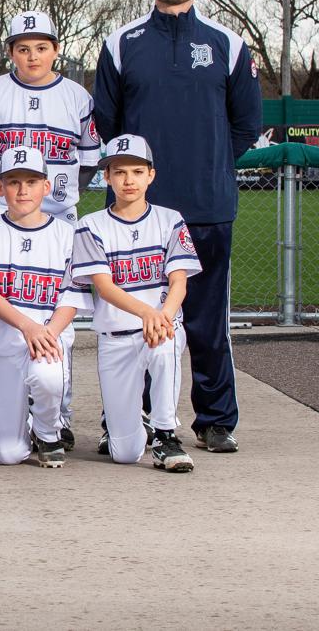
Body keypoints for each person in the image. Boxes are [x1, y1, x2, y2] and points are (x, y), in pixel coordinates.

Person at [94, 0, 262, 453]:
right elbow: (109, 124)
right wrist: (139, 181)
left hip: (207, 204)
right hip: (138, 212)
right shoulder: (121, 42)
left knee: (208, 321)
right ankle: (132, 419)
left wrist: (207, 164)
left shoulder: (227, 43)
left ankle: (214, 420)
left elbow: (246, 124)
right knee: (136, 320)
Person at [0, 11, 100, 449]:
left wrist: (59, 196)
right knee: (6, 300)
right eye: (23, 48)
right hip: (1, 209)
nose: (33, 56)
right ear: (11, 52)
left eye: (41, 47)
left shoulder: (76, 96)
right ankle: (5, 410)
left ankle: (56, 417)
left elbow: (88, 158)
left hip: (59, 214)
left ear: (56, 50)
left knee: (58, 315)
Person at [71, 135, 202, 472]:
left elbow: (179, 281)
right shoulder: (90, 225)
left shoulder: (170, 219)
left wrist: (164, 317)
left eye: (137, 171)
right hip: (116, 337)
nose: (129, 180)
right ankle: (137, 426)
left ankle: (165, 435)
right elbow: (104, 287)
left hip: (161, 327)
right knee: (125, 453)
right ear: (107, 177)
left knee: (165, 346)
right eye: (119, 172)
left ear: (151, 175)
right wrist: (148, 313)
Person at [0, 148, 90, 468]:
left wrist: (48, 333)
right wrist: (28, 327)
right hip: (4, 344)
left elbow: (71, 296)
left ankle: (49, 432)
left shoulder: (67, 233)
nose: (23, 190)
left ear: (46, 187)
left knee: (48, 378)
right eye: (14, 182)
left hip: (49, 340)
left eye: (32, 182)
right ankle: (25, 431)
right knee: (8, 455)